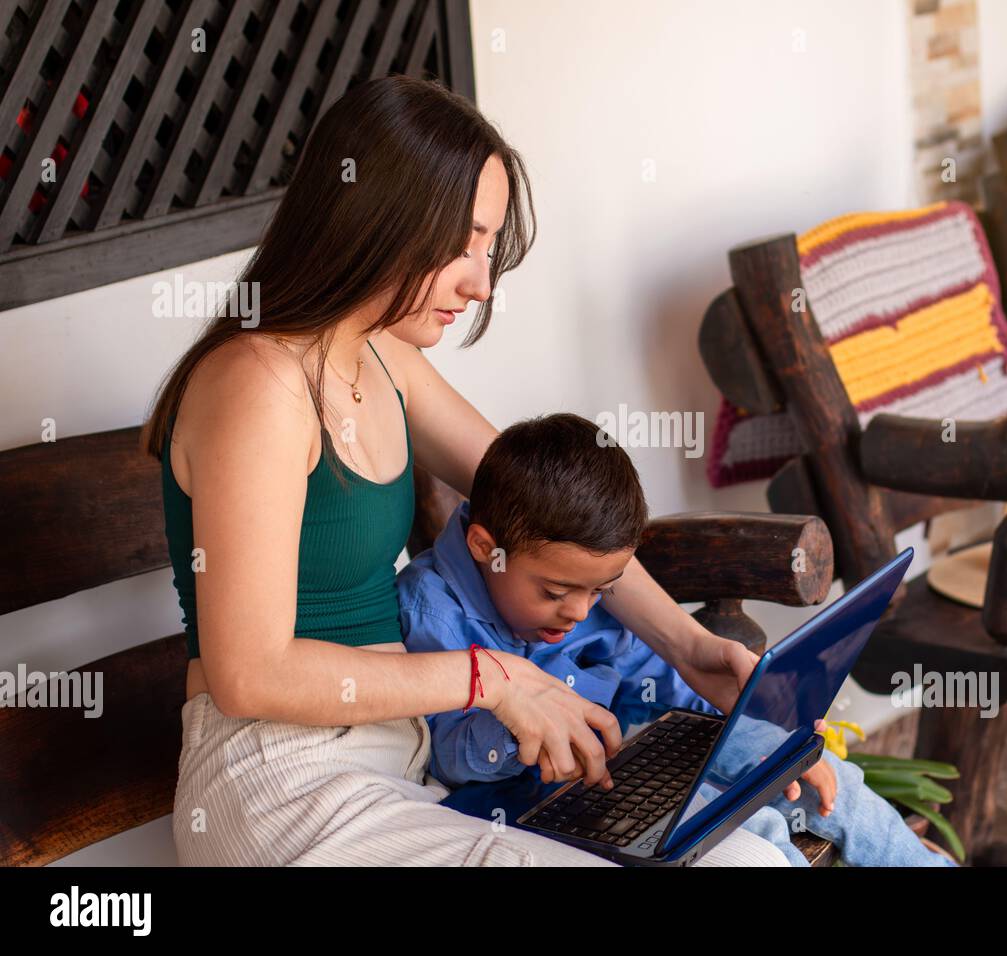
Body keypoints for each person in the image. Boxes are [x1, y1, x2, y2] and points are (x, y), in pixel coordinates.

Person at [147, 76, 788, 866]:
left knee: (743, 859)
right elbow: (250, 674)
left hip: (400, 768)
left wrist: (692, 648)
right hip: (282, 784)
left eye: (487, 249)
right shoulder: (260, 381)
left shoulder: (382, 358)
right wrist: (493, 679)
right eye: (462, 245)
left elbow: (544, 513)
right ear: (374, 220)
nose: (481, 284)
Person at [397, 413, 957, 866]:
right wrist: (516, 724)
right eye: (554, 591)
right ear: (481, 546)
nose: (578, 611)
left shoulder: (587, 591)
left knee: (831, 784)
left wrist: (761, 734)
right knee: (745, 825)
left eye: (601, 590)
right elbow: (448, 756)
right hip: (539, 802)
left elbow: (654, 679)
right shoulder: (431, 610)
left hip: (640, 751)